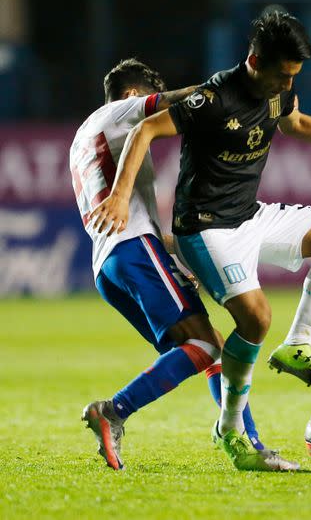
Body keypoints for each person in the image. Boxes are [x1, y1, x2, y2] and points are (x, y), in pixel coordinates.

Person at [88, 12, 311, 467]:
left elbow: (296, 123)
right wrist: (120, 196)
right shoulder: (214, 97)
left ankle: (298, 345)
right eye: (281, 75)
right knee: (253, 320)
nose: (285, 85)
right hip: (207, 228)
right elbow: (146, 128)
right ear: (254, 61)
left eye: (293, 76)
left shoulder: (278, 91)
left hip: (250, 216)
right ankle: (231, 429)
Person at [73, 59, 294, 471]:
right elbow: (187, 99)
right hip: (133, 249)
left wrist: (181, 251)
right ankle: (114, 410)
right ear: (132, 96)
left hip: (111, 261)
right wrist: (240, 88)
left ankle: (247, 444)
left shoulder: (85, 138)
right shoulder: (120, 111)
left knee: (209, 349)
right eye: (149, 102)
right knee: (208, 345)